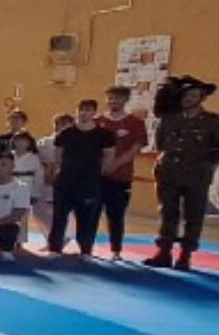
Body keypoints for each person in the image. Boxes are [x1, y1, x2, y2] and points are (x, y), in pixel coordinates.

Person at [145, 75, 219, 270]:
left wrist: (204, 163)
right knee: (168, 213)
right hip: (168, 172)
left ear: (201, 98)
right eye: (186, 95)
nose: (189, 99)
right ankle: (164, 252)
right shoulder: (169, 118)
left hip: (197, 174)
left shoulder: (212, 121)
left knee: (194, 214)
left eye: (193, 95)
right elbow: (161, 144)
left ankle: (185, 255)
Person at [47, 100, 115, 258]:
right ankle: (55, 248)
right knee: (59, 215)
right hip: (66, 180)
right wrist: (61, 170)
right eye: (81, 110)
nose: (84, 113)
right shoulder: (65, 133)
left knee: (87, 217)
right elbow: (58, 156)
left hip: (89, 182)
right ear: (76, 111)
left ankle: (85, 249)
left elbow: (109, 156)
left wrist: (101, 172)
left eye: (88, 110)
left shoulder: (104, 135)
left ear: (94, 113)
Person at [96, 86, 147, 261]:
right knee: (91, 213)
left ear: (125, 100)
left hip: (120, 177)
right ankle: (86, 248)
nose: (113, 101)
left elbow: (135, 149)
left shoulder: (135, 123)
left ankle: (115, 249)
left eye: (117, 98)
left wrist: (115, 164)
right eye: (110, 98)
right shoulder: (97, 121)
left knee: (116, 215)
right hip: (97, 177)